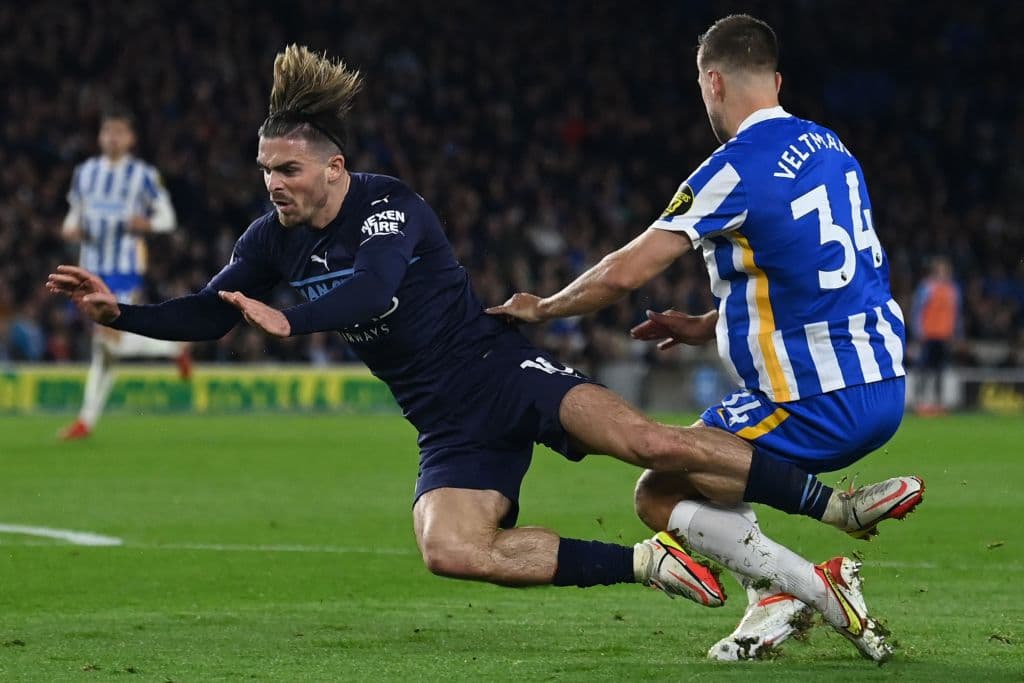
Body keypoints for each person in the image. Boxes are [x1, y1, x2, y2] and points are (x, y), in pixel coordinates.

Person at [49, 44, 907, 657]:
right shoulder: (271, 239)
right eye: (266, 169)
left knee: (652, 446)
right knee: (449, 547)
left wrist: (291, 320)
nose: (275, 183)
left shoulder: (389, 206)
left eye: (289, 170)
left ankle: (834, 510)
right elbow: (210, 309)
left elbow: (375, 288)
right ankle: (647, 562)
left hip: (504, 371)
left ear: (334, 167)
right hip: (446, 423)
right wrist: (118, 312)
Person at [488, 14, 922, 661]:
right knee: (709, 472)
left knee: (660, 489)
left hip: (817, 399)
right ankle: (771, 597)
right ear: (774, 80)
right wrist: (710, 324)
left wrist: (543, 306)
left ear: (712, 82)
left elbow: (627, 269)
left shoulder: (734, 167)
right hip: (883, 380)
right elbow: (823, 275)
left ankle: (804, 583)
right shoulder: (834, 150)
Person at [59, 107, 191, 440]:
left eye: (119, 132)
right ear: (100, 136)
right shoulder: (85, 173)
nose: (112, 138)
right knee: (105, 349)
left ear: (130, 139)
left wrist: (146, 223)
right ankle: (173, 350)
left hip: (123, 271)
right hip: (89, 269)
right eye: (107, 132)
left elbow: (167, 219)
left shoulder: (142, 175)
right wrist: (71, 229)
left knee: (105, 339)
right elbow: (73, 217)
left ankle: (85, 421)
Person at [910, 256, 962, 415]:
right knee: (924, 370)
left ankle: (938, 403)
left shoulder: (953, 289)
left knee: (940, 371)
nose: (943, 273)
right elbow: (917, 311)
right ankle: (920, 402)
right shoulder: (926, 287)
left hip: (944, 335)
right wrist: (918, 332)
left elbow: (956, 313)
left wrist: (956, 333)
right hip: (928, 335)